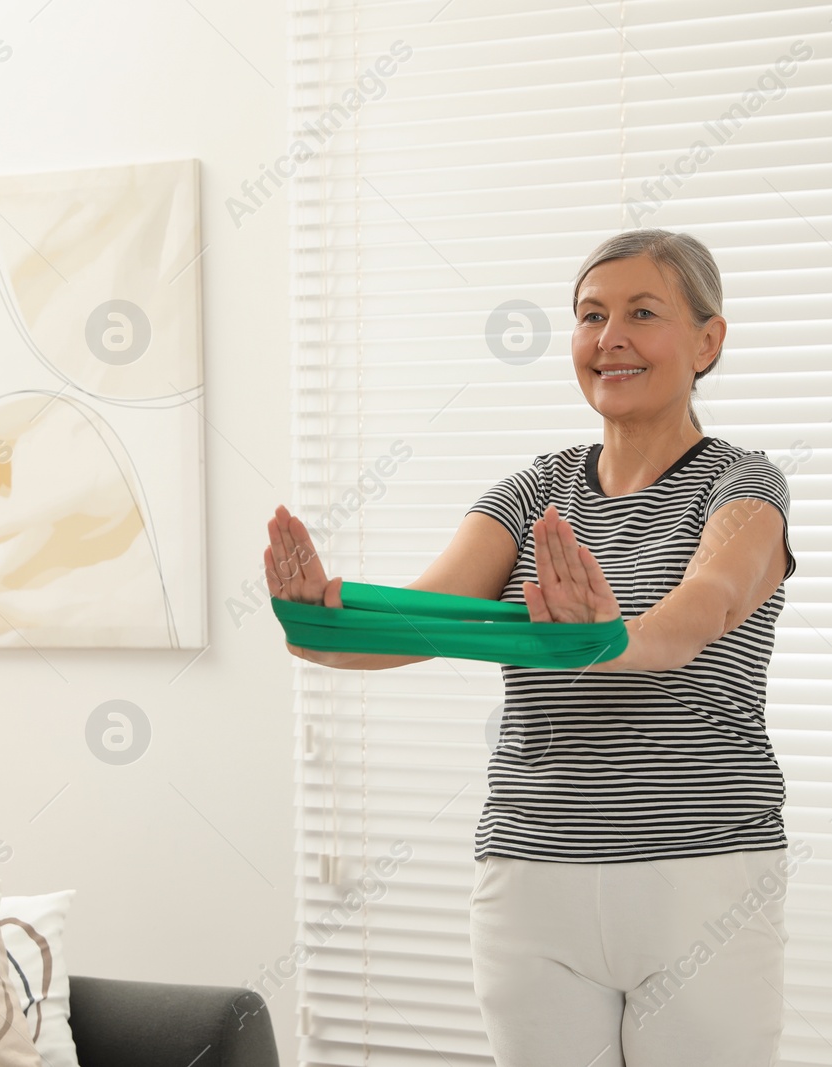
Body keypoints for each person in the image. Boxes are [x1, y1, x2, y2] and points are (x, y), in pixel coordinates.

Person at [263, 228, 800, 1065]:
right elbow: (427, 618)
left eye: (642, 313)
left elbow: (708, 607)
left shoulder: (742, 485)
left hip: (700, 876)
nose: (608, 336)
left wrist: (604, 637)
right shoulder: (534, 491)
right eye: (590, 315)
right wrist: (322, 629)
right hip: (530, 875)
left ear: (708, 340)